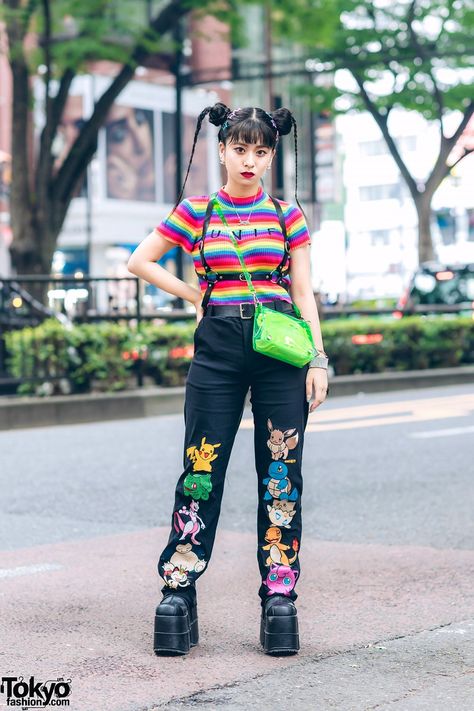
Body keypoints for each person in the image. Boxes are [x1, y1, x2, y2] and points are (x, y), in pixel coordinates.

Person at [127, 102, 329, 656]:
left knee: (281, 474)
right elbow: (140, 261)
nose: (248, 160)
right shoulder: (196, 211)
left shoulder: (288, 215)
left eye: (260, 151)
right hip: (216, 347)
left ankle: (280, 595)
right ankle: (179, 587)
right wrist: (197, 294)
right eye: (239, 148)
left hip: (280, 350)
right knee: (201, 469)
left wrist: (317, 358)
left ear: (270, 158)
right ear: (221, 150)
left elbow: (305, 291)